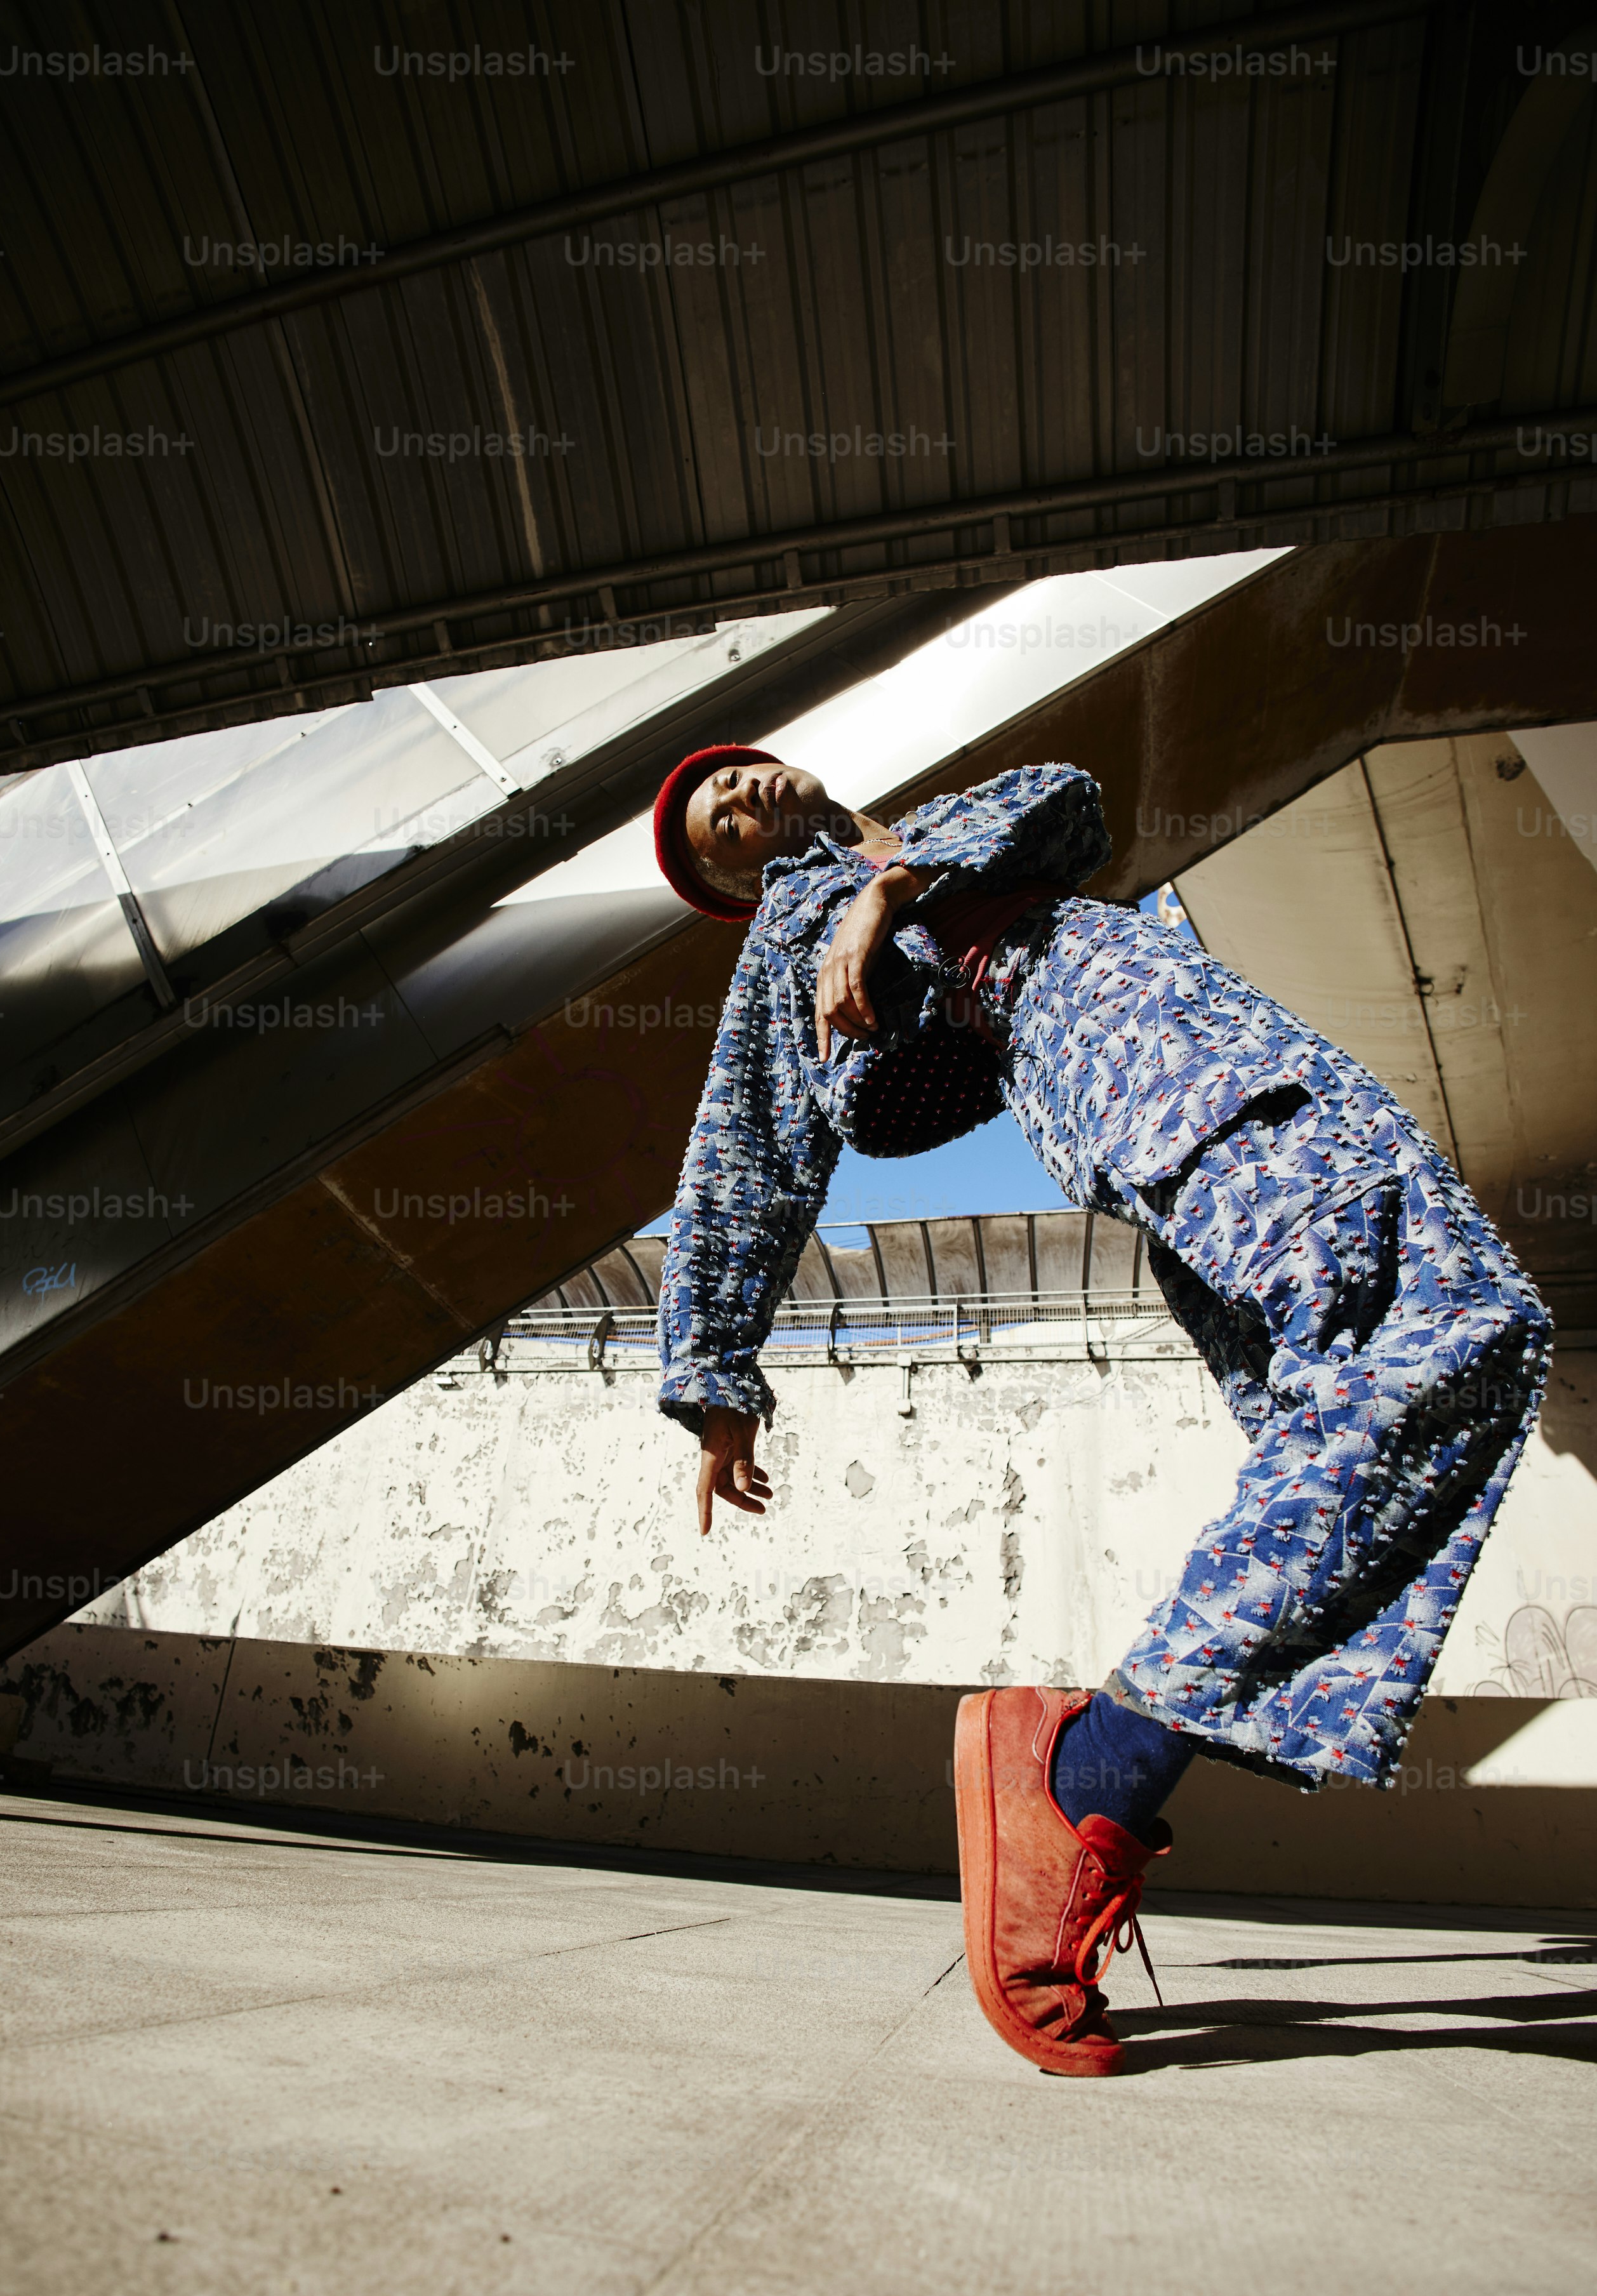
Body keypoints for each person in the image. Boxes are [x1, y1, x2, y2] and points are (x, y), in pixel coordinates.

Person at [647, 744, 1549, 2077]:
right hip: (1158, 1074)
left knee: (1376, 1390)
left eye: (734, 777)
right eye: (714, 828)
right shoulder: (790, 932)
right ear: (736, 884)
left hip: (1216, 1052)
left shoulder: (926, 832)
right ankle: (1085, 1778)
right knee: (1440, 1335)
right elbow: (748, 1145)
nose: (735, 804)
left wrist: (885, 888)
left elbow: (1068, 795)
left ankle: (1096, 1774)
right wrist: (714, 1372)